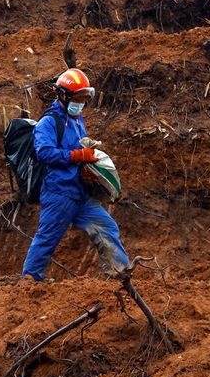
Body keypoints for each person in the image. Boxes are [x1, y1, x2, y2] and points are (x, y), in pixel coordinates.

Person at [21, 68, 130, 282]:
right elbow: (44, 152)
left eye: (84, 98)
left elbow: (80, 151)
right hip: (59, 192)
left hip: (80, 193)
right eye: (77, 98)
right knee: (47, 239)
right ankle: (29, 282)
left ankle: (120, 276)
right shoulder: (49, 122)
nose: (81, 103)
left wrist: (87, 167)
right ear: (62, 95)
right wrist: (79, 155)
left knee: (106, 226)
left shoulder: (78, 120)